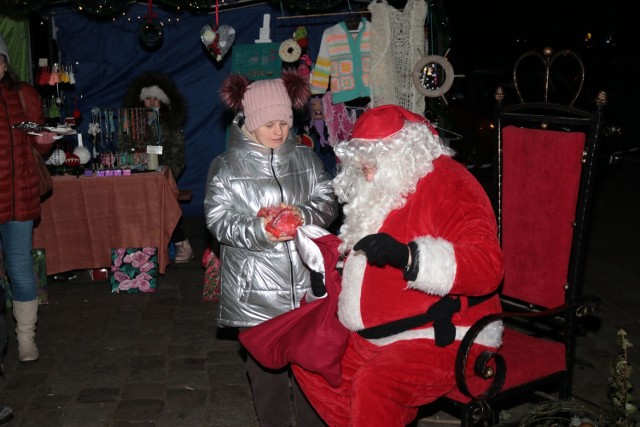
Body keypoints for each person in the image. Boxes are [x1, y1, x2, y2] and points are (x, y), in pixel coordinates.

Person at [291, 104, 505, 427]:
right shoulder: (377, 194)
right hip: (375, 335)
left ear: (406, 153)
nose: (368, 175)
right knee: (308, 354)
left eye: (374, 163)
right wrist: (327, 279)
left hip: (444, 335)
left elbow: (488, 266)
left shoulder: (449, 183)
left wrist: (410, 258)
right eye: (361, 166)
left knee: (374, 385)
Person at [204, 70, 339, 427]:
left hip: (306, 289)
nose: (279, 131)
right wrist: (259, 229)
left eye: (284, 122)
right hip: (256, 293)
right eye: (269, 123)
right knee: (267, 374)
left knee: (311, 366)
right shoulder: (227, 167)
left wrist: (304, 213)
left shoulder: (306, 159)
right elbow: (218, 220)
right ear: (250, 122)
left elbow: (328, 200)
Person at [0, 32, 56, 364]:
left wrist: (46, 141)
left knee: (20, 270)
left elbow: (37, 141)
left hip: (19, 200)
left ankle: (25, 338)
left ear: (5, 64)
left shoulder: (24, 97)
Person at [122, 72, 193, 262]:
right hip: (136, 175)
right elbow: (123, 148)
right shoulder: (133, 123)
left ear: (163, 102)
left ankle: (181, 243)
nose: (152, 103)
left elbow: (178, 156)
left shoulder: (171, 125)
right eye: (148, 99)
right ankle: (136, 247)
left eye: (156, 99)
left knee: (161, 198)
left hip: (163, 176)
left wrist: (165, 175)